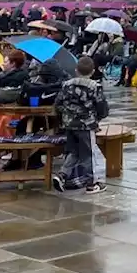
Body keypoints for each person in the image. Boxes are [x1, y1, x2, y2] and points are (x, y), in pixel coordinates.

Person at [54, 56, 109, 193]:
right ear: (93, 71)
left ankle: (62, 174)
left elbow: (58, 103)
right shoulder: (94, 87)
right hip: (85, 125)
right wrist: (97, 119)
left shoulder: (66, 85)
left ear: (76, 70)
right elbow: (101, 106)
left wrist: (66, 116)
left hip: (69, 123)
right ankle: (92, 183)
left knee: (74, 152)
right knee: (88, 153)